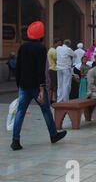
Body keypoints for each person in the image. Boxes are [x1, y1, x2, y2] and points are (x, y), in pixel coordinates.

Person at [11, 21, 67, 151]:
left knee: (20, 112)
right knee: (46, 110)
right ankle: (53, 135)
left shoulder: (23, 47)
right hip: (37, 86)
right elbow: (40, 70)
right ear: (41, 35)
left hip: (24, 85)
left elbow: (18, 67)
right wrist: (42, 88)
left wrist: (19, 84)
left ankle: (15, 140)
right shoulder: (41, 48)